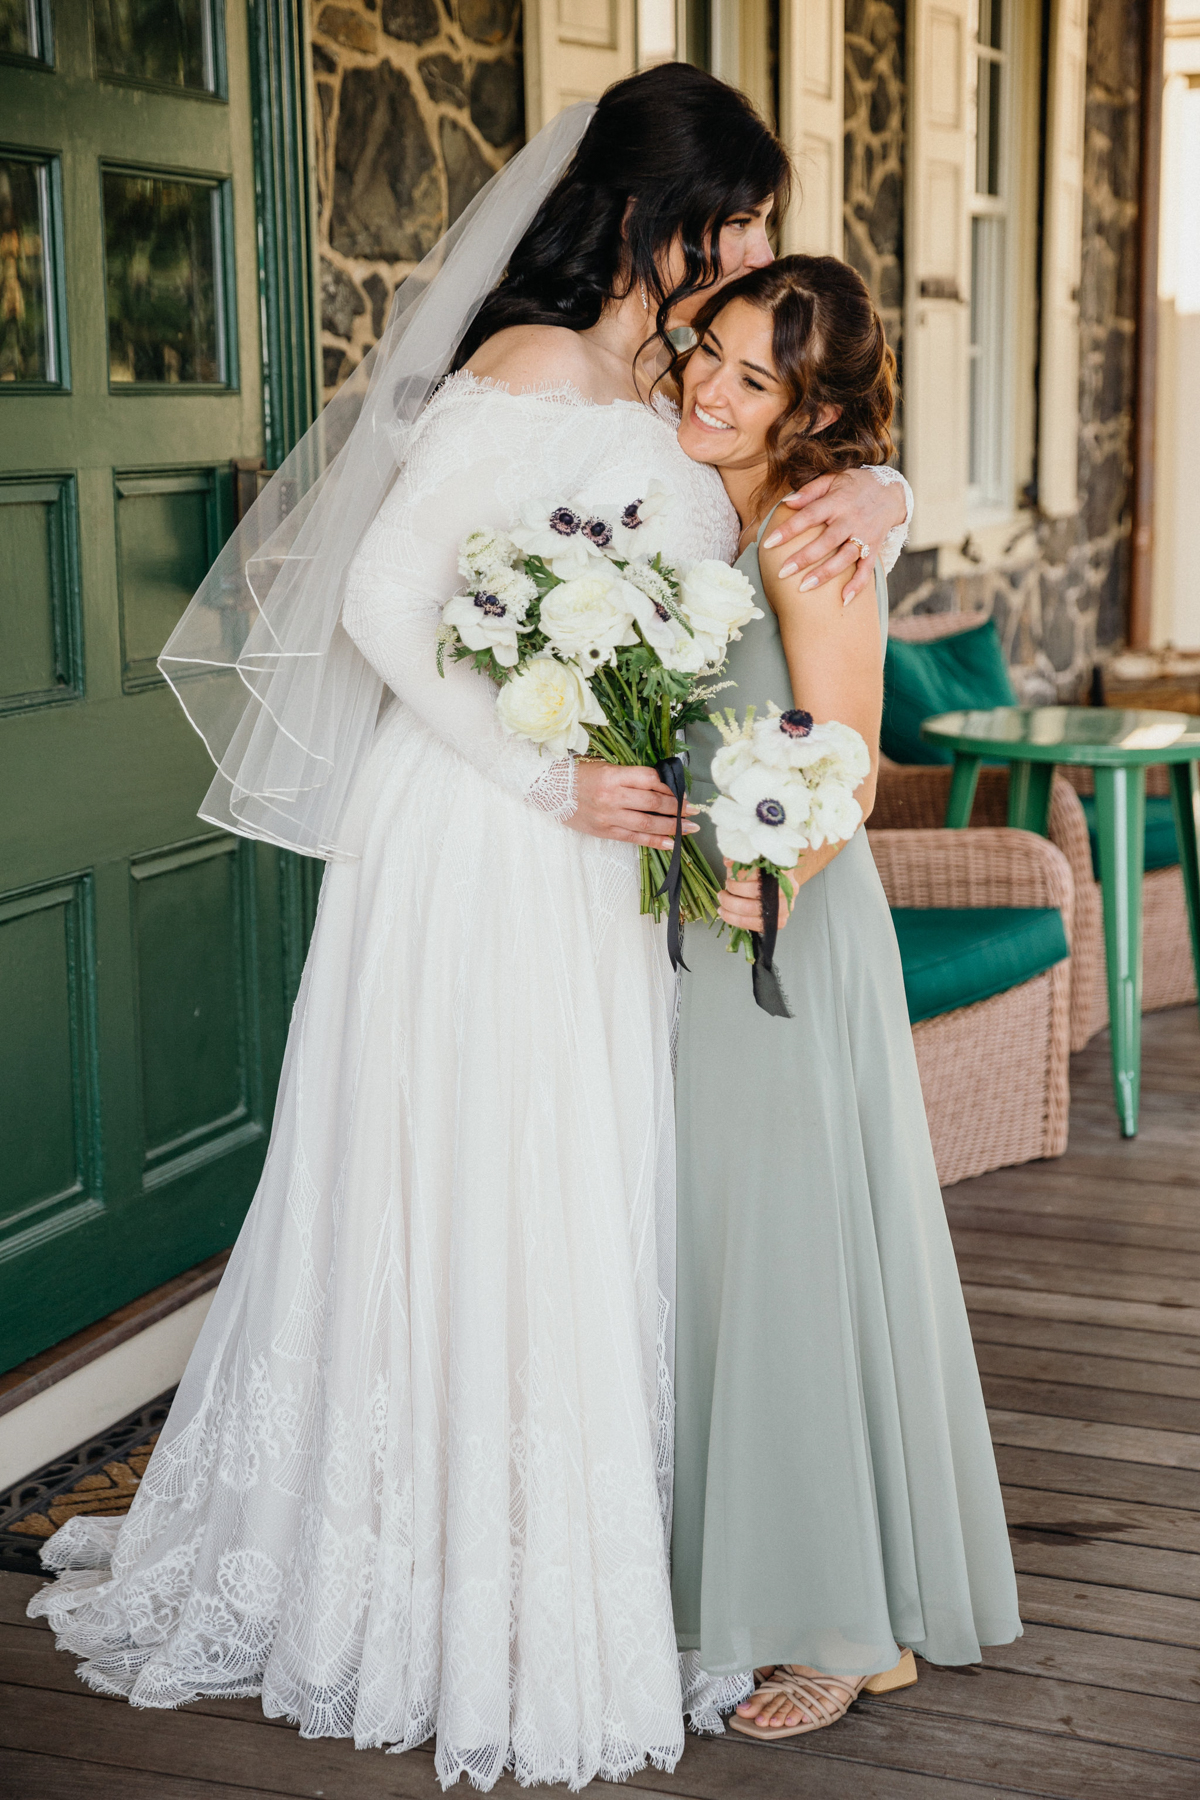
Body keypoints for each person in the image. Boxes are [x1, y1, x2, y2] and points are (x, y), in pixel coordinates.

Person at [28, 70, 910, 1790]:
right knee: (466, 1173)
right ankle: (427, 1571)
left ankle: (563, 1547)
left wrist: (881, 492)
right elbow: (371, 599)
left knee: (570, 1181)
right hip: (488, 831)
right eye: (733, 224)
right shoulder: (526, 367)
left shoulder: (682, 376)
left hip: (595, 856)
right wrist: (541, 774)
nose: (754, 255)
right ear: (659, 220)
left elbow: (779, 457)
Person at [669, 257, 1022, 1740]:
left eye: (757, 378)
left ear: (812, 409)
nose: (712, 385)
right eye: (712, 350)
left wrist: (770, 885)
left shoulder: (813, 537)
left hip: (778, 929)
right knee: (714, 1253)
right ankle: (734, 1573)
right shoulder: (693, 486)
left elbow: (849, 752)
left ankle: (840, 1626)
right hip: (683, 917)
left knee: (793, 1261)